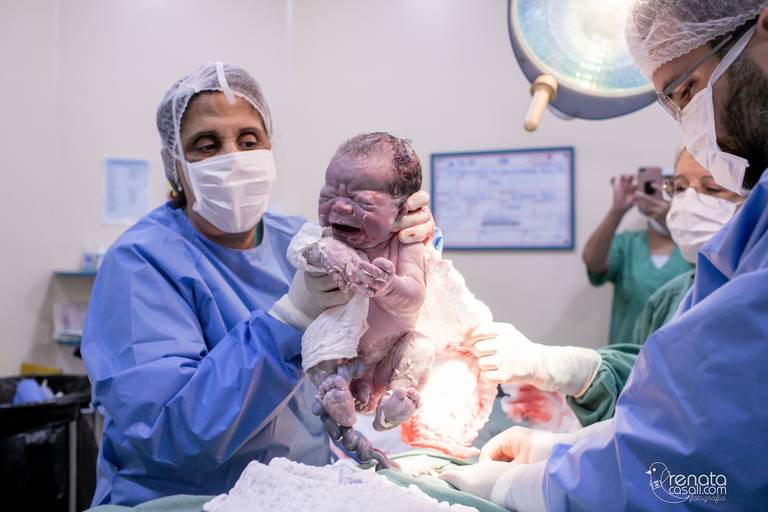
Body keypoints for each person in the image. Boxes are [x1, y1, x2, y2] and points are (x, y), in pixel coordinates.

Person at [441, 2, 768, 509]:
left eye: (686, 91)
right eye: (681, 186)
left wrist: (533, 484)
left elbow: (705, 463)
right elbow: (670, 413)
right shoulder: (745, 239)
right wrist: (568, 450)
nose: (693, 130)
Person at [81, 63, 434, 506]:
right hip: (180, 500)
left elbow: (376, 335)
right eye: (207, 145)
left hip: (299, 490)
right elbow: (168, 435)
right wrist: (290, 318)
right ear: (176, 165)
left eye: (249, 141)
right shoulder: (140, 264)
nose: (233, 158)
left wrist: (404, 241)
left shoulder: (298, 239)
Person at [468, 148, 744, 428]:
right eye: (680, 188)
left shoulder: (749, 292)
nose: (689, 203)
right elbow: (642, 379)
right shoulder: (668, 294)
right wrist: (560, 368)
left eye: (712, 188)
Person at [582, 168, 691, 344]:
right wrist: (616, 211)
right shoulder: (628, 244)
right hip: (629, 355)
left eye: (672, 189)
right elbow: (592, 261)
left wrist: (675, 224)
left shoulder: (692, 248)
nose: (661, 195)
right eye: (652, 188)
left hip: (679, 351)